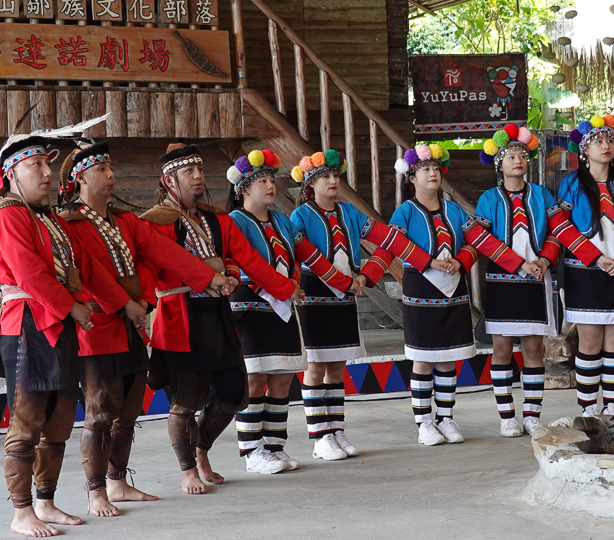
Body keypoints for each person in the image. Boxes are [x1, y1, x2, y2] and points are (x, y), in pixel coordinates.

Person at [0, 132, 146, 537]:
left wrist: (124, 303)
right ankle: (21, 512)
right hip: (26, 327)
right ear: (11, 173)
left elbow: (86, 268)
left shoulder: (49, 218)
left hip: (58, 327)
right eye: (35, 165)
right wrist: (72, 307)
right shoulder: (7, 216)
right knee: (27, 425)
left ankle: (45, 502)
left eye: (47, 164)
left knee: (57, 424)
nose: (47, 173)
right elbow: (30, 273)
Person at [56, 141, 230, 515]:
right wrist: (126, 304)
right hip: (96, 328)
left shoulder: (126, 221)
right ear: (80, 178)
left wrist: (203, 279)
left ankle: (118, 483)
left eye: (111, 168)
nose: (110, 175)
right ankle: (96, 492)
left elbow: (162, 255)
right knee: (99, 415)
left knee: (128, 414)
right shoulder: (69, 223)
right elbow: (89, 275)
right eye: (101, 170)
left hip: (133, 326)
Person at [138, 143, 303, 495]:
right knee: (185, 401)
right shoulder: (154, 222)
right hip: (180, 316)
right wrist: (140, 306)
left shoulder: (217, 219)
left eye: (199, 170)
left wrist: (281, 286)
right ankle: (188, 470)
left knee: (233, 393)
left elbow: (247, 259)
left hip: (218, 315)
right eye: (188, 171)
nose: (198, 176)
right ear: (169, 180)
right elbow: (154, 268)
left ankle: (201, 450)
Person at [391, 144, 539, 446]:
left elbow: (478, 241)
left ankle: (445, 418)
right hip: (420, 291)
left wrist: (462, 260)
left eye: (435, 168)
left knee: (449, 358)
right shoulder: (405, 211)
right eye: (425, 169)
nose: (432, 173)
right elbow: (395, 243)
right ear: (412, 178)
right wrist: (430, 261)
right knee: (423, 359)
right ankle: (424, 423)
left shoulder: (454, 210)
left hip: (454, 289)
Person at [290, 149, 433, 459]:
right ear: (309, 184)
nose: (332, 180)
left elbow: (388, 240)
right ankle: (320, 437)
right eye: (325, 176)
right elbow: (305, 256)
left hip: (345, 298)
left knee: (337, 368)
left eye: (335, 175)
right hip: (314, 298)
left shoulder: (349, 213)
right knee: (315, 368)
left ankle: (337, 431)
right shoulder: (300, 215)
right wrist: (346, 282)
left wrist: (369, 276)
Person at [225, 149, 355, 474]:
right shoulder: (234, 222)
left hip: (282, 308)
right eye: (262, 181)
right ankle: (252, 450)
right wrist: (283, 288)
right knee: (255, 379)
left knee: (282, 379)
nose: (270, 186)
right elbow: (246, 264)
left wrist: (299, 281)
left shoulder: (282, 219)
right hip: (251, 307)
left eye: (271, 180)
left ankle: (274, 446)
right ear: (243, 188)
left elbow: (303, 254)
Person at [552, 115, 614, 417]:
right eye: (597, 142)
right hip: (584, 272)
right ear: (584, 149)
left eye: (609, 140)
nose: (605, 146)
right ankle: (588, 410)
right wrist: (595, 257)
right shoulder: (571, 184)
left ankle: (612, 409)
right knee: (590, 341)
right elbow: (560, 226)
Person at [474, 125, 560, 438]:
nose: (517, 160)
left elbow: (557, 233)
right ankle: (507, 417)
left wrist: (545, 260)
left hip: (536, 280)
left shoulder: (542, 195)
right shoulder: (489, 198)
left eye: (522, 155)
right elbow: (481, 239)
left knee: (534, 350)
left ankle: (532, 416)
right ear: (499, 164)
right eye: (510, 156)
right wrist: (519, 263)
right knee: (501, 350)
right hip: (502, 281)